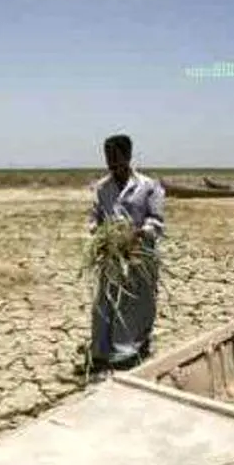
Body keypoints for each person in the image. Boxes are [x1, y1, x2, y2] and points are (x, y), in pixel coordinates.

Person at [82, 134, 166, 373]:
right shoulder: (102, 188)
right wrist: (98, 234)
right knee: (106, 302)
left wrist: (139, 233)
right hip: (112, 256)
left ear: (128, 156)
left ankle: (130, 349)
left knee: (137, 303)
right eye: (109, 160)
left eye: (118, 159)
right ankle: (101, 350)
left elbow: (156, 220)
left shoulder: (148, 186)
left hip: (140, 254)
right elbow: (95, 217)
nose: (113, 165)